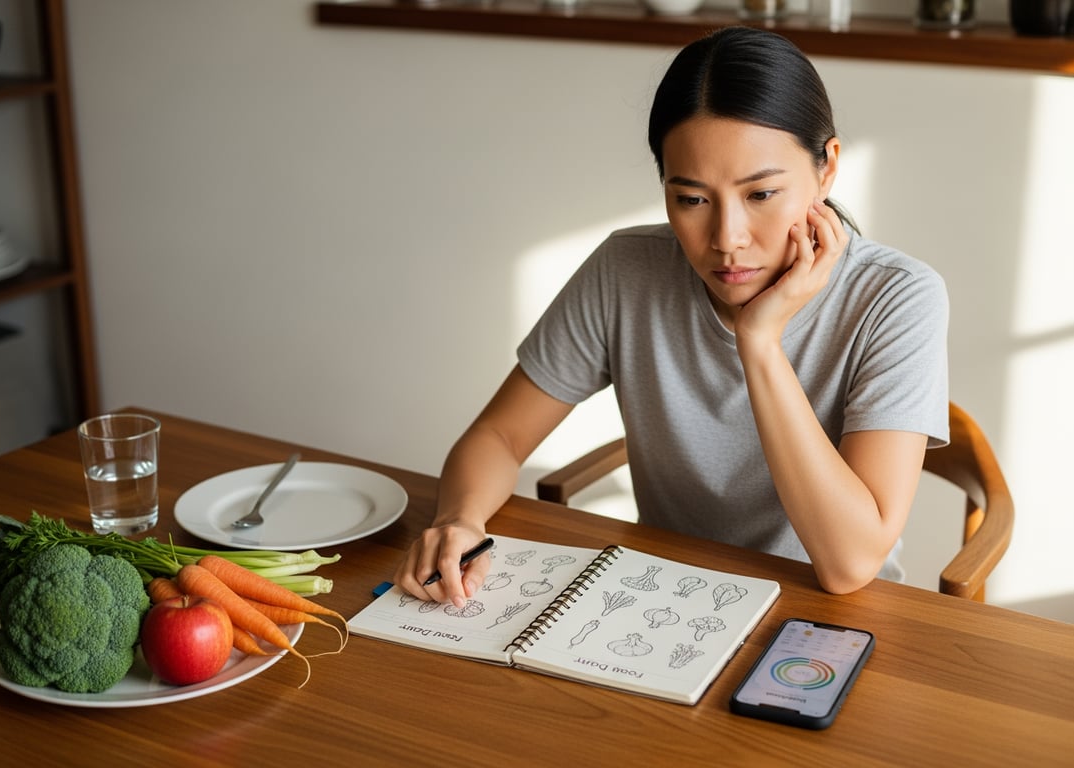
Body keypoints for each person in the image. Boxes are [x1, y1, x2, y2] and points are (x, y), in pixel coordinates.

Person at [394, 26, 949, 607]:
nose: (727, 239)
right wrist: (459, 519)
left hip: (829, 614)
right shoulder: (627, 269)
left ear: (827, 168)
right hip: (664, 598)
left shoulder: (898, 298)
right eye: (691, 199)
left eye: (761, 195)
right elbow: (499, 435)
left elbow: (849, 564)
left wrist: (759, 342)